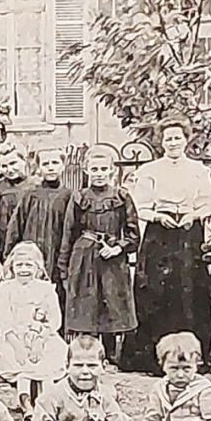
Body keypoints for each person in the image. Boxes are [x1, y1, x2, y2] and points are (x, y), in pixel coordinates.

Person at [129, 116, 211, 372]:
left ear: (186, 139)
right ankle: (153, 359)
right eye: (168, 138)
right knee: (158, 294)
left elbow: (210, 203)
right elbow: (139, 206)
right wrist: (158, 216)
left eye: (177, 137)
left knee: (189, 293)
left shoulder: (198, 170)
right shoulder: (150, 170)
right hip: (160, 235)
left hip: (190, 235)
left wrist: (193, 215)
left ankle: (191, 360)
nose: (173, 143)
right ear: (161, 142)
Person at [62, 147, 140, 365]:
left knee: (112, 301)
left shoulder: (121, 196)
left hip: (112, 256)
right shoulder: (79, 197)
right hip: (85, 254)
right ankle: (86, 353)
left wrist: (118, 248)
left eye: (103, 169)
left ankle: (112, 355)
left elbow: (133, 232)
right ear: (86, 171)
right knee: (88, 301)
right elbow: (69, 231)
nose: (98, 173)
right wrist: (65, 265)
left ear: (112, 171)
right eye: (94, 169)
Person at [0, 241, 67, 413]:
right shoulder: (5, 288)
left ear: (38, 268)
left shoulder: (46, 289)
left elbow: (54, 320)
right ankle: (25, 402)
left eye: (29, 265)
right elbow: (4, 322)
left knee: (50, 356)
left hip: (41, 336)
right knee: (21, 362)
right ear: (11, 267)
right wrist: (18, 346)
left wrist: (40, 341)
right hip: (13, 338)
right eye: (19, 265)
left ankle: (46, 402)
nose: (24, 269)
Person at [4, 147, 76, 293]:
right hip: (31, 254)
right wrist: (9, 256)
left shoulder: (70, 196)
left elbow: (72, 230)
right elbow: (15, 227)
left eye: (55, 163)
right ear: (39, 167)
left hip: (57, 255)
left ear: (63, 166)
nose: (50, 168)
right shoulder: (30, 194)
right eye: (45, 164)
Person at [0, 142, 34, 281]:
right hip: (6, 253)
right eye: (4, 166)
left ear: (24, 160)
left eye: (13, 163)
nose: (9, 169)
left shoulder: (37, 188)